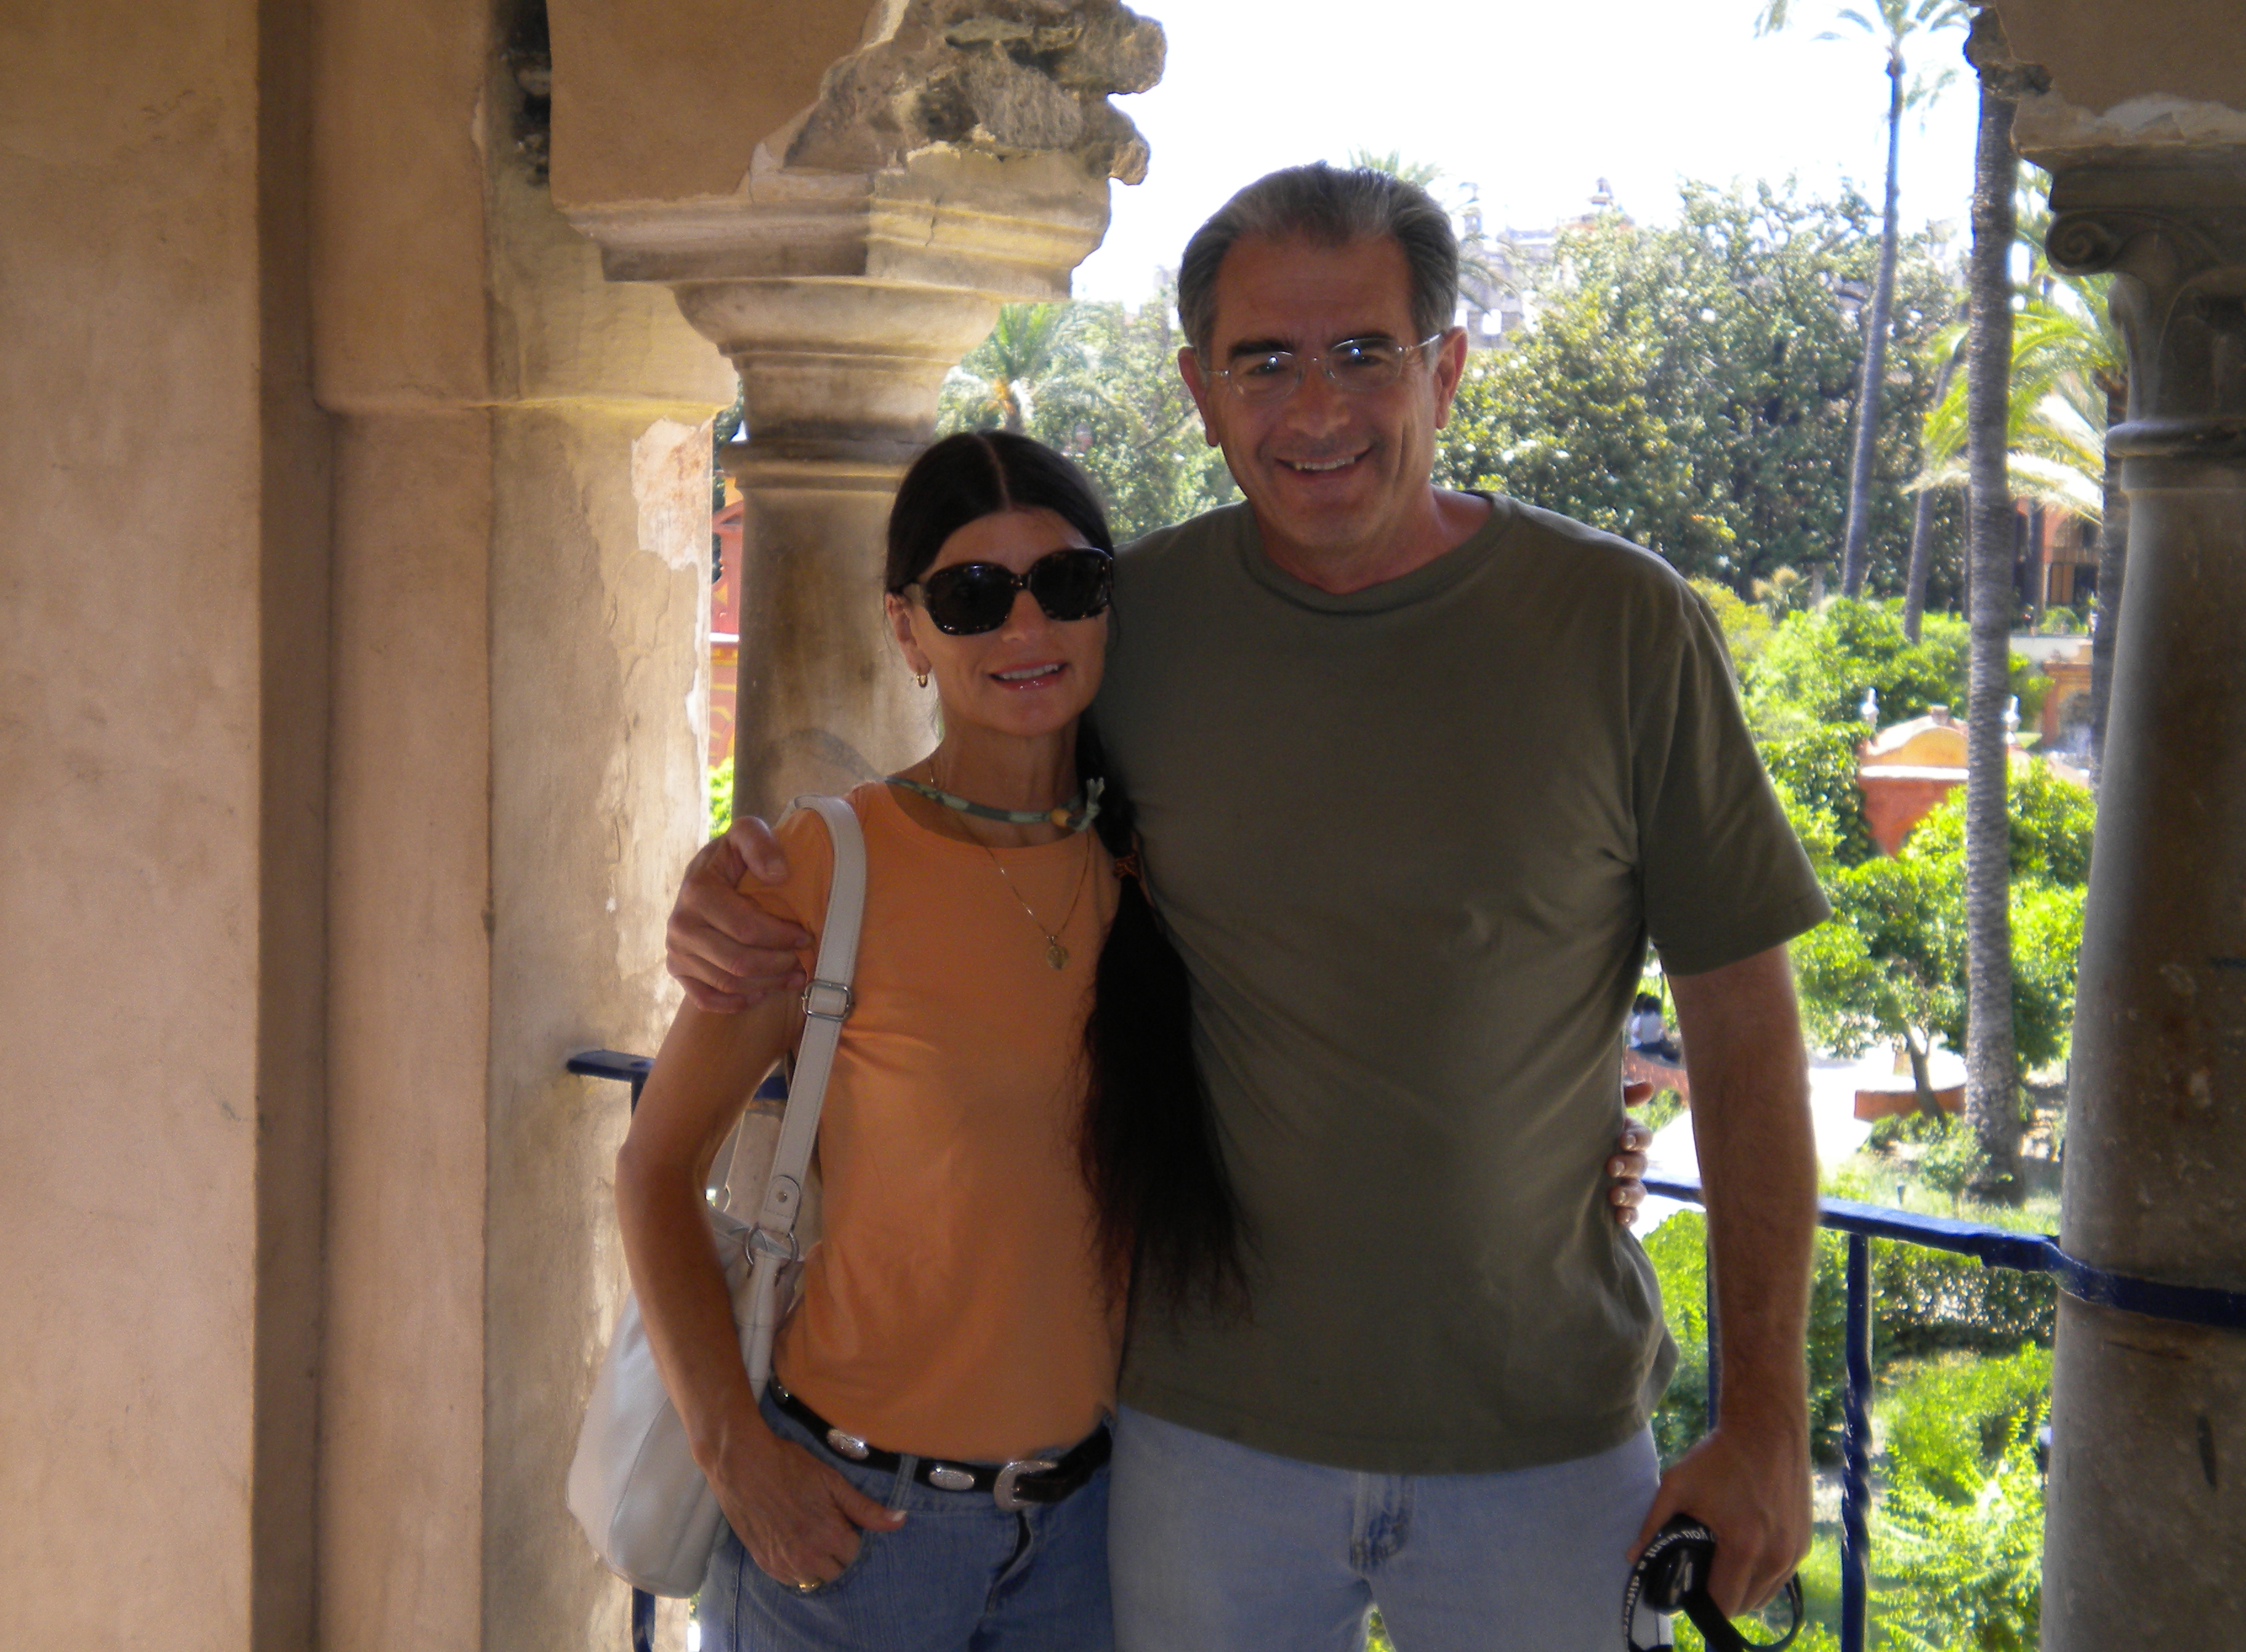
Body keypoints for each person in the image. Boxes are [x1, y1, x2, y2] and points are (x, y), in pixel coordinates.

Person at [665, 165, 1826, 1651]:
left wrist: (1765, 1416)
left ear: (1447, 370)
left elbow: (1744, 1028)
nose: (1316, 407)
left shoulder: (1618, 624)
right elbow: (962, 799)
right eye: (1265, 361)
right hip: (1197, 1447)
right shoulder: (1126, 621)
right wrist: (729, 886)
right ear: (1200, 393)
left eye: (1364, 352)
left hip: (1541, 1439)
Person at [618, 427, 1657, 1651]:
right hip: (850, 1531)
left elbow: (1357, 1040)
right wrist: (735, 1455)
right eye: (972, 596)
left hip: (1093, 1543)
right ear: (906, 628)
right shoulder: (825, 867)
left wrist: (1569, 1157)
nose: (1025, 626)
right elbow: (656, 1167)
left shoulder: (1163, 876)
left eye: (1067, 584)